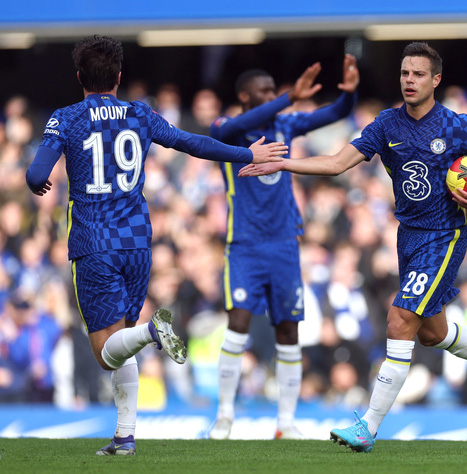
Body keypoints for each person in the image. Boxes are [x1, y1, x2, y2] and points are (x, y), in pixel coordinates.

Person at [239, 41, 467, 453]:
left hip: (444, 236)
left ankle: (368, 428)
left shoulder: (458, 125)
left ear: (436, 80)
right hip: (407, 236)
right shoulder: (386, 125)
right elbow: (339, 162)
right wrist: (284, 163)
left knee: (399, 320)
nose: (409, 80)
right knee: (432, 332)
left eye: (418, 74)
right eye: (404, 73)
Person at [24, 35, 287, 456]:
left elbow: (37, 174)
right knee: (121, 342)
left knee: (107, 354)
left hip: (94, 242)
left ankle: (152, 330)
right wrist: (245, 153)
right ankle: (125, 438)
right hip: (138, 241)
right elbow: (192, 143)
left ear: (79, 78)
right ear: (119, 77)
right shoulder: (140, 114)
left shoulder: (67, 118)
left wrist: (38, 183)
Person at [207, 56, 360, 440]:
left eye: (274, 91)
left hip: (284, 245)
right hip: (244, 244)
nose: (272, 97)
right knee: (237, 325)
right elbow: (238, 126)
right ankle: (224, 416)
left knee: (288, 332)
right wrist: (291, 96)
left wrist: (350, 92)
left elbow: (336, 112)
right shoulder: (225, 127)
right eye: (264, 91)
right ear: (243, 95)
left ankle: (285, 423)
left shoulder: (285, 124)